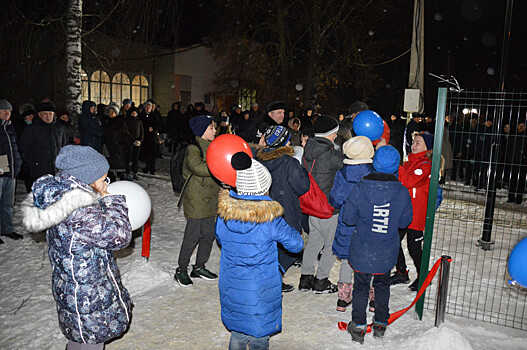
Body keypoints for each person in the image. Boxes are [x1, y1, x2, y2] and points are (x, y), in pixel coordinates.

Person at [21, 145, 132, 350]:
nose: (106, 183)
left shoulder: (62, 195)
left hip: (74, 286)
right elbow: (120, 236)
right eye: (103, 179)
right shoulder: (78, 209)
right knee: (91, 338)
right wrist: (111, 201)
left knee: (79, 333)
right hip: (88, 292)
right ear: (86, 177)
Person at [216, 152, 304, 349]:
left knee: (238, 333)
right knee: (258, 337)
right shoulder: (270, 219)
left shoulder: (224, 215)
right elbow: (296, 244)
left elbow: (221, 238)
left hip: (232, 283)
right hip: (260, 289)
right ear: (264, 188)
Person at [342, 145, 413, 344]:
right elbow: (404, 222)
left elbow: (348, 218)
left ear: (374, 163)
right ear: (396, 167)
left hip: (363, 249)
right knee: (382, 286)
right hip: (385, 251)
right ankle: (381, 323)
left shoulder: (360, 187)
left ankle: (358, 326)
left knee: (361, 287)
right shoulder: (401, 191)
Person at [256, 125, 310, 292]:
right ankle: (275, 273)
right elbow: (303, 187)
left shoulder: (258, 161)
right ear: (285, 142)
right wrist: (302, 171)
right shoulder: (289, 163)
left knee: (270, 244)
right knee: (294, 243)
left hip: (264, 209)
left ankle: (271, 276)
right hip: (286, 210)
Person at [299, 115, 345, 294]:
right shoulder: (332, 155)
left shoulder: (308, 150)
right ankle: (321, 280)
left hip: (312, 206)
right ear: (330, 133)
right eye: (335, 133)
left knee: (314, 241)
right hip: (328, 207)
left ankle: (306, 277)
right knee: (331, 245)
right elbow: (346, 168)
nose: (336, 136)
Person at [174, 115, 221, 286]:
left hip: (210, 198)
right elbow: (198, 168)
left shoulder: (213, 147)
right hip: (195, 199)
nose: (215, 131)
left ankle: (199, 266)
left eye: (214, 127)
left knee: (209, 234)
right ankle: (181, 269)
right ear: (202, 131)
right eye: (211, 128)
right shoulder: (193, 149)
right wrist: (218, 164)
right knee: (192, 235)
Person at [329, 136, 374, 311]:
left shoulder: (342, 173)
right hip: (368, 224)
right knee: (368, 259)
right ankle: (371, 296)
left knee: (347, 258)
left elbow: (336, 199)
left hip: (348, 223)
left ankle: (343, 297)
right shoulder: (374, 173)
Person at [391, 132, 433, 291]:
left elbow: (409, 181)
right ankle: (402, 272)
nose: (413, 146)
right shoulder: (409, 164)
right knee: (393, 241)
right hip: (402, 212)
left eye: (418, 143)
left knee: (414, 248)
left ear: (427, 148)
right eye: (413, 142)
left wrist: (396, 165)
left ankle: (424, 277)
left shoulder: (425, 165)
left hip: (416, 214)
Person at [19, 101, 67, 186]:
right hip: (38, 171)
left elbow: (63, 146)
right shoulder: (31, 129)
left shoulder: (59, 128)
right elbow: (24, 148)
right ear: (40, 115)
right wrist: (32, 163)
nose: (48, 117)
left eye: (50, 114)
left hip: (56, 170)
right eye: (45, 114)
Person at [0, 100, 23, 243]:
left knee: (7, 204)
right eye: (3, 110)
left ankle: (6, 229)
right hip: (1, 171)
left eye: (8, 110)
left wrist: (18, 163)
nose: (7, 113)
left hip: (10, 171)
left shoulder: (9, 128)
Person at [124, 106, 144, 180]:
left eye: (135, 113)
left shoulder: (139, 121)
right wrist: (132, 141)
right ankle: (127, 172)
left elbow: (142, 132)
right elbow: (126, 132)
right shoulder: (127, 121)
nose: (134, 115)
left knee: (135, 158)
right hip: (129, 143)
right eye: (133, 113)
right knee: (128, 158)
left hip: (137, 143)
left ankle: (135, 172)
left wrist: (140, 140)